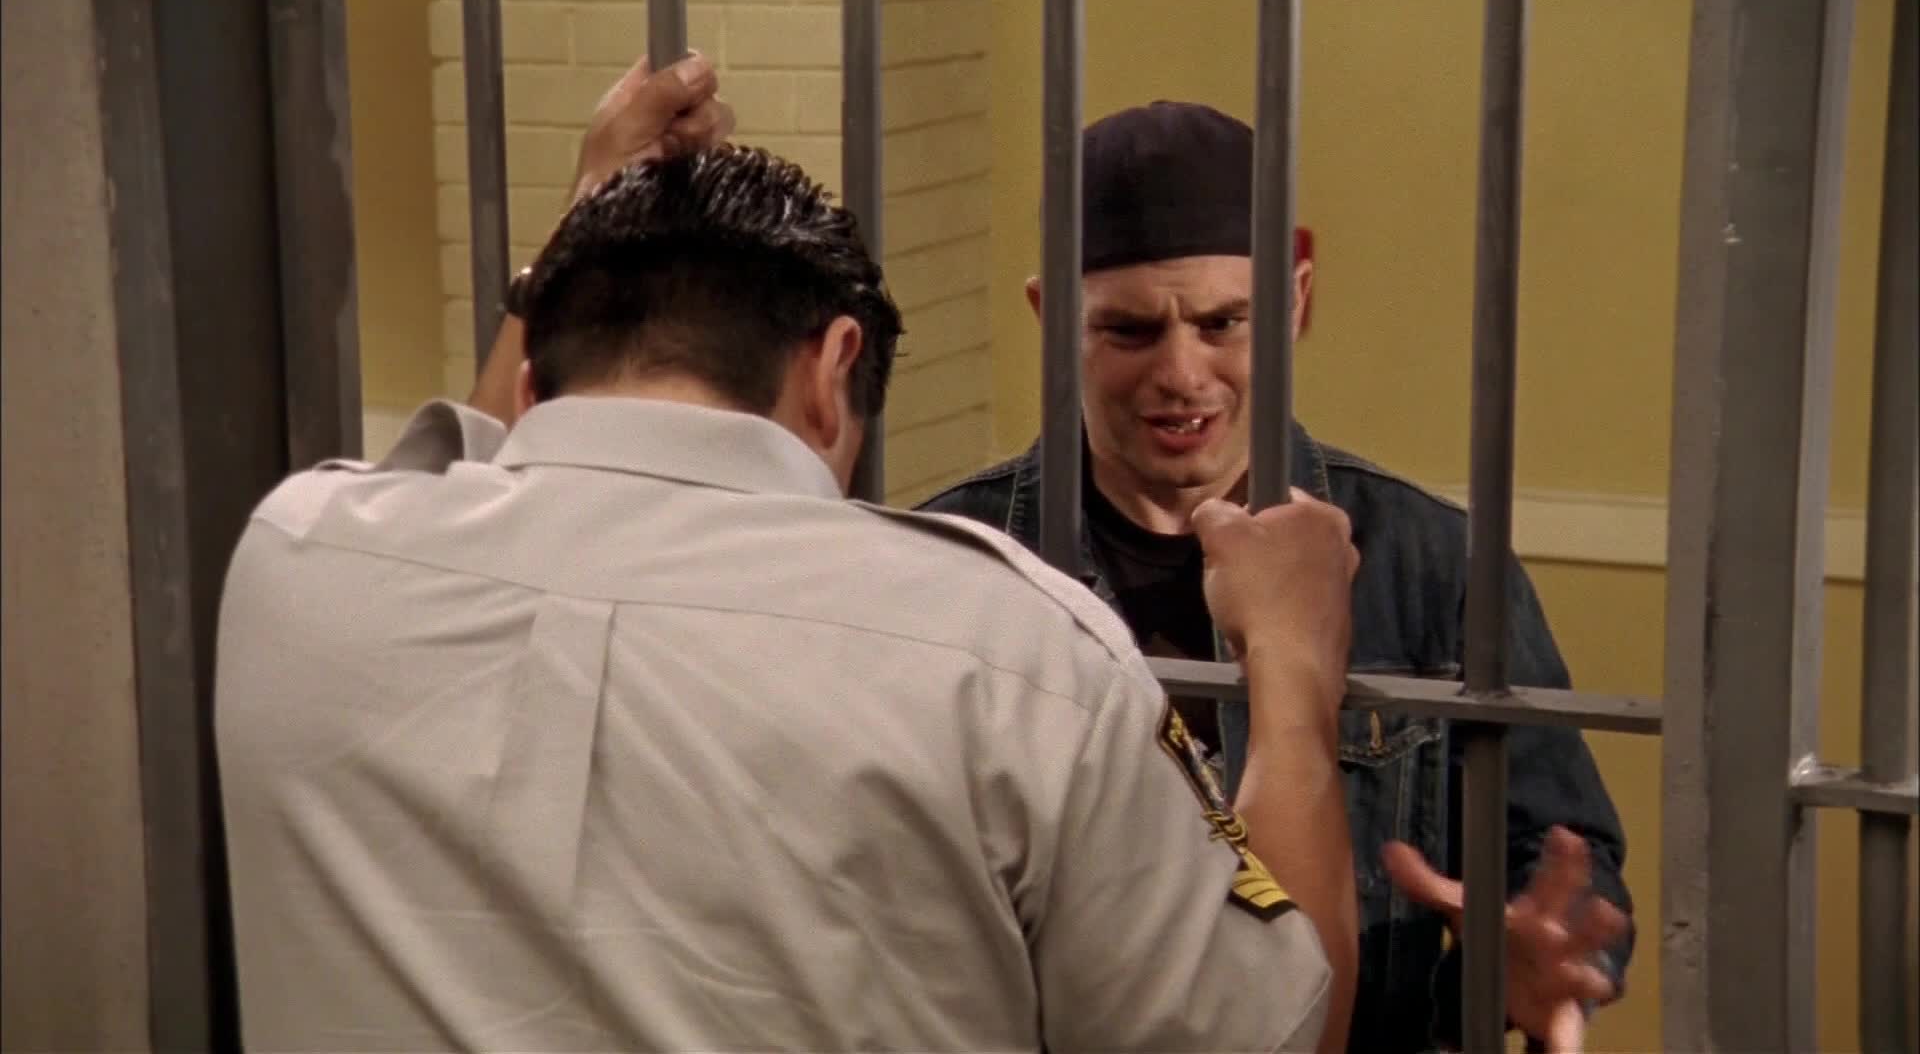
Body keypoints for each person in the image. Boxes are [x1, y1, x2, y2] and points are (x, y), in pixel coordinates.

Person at [212, 67, 1373, 1051]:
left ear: (532, 381)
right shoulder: (1009, 655)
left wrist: (588, 228)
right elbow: (1276, 1032)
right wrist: (1290, 674)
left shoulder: (299, 559)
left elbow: (485, 469)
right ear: (833, 370)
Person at [916, 100, 1634, 1053]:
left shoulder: (1433, 562)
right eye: (1130, 331)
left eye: (1223, 322)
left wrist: (1527, 965)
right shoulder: (951, 564)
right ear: (1053, 322)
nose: (1182, 373)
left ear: (1296, 299)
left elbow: (1561, 863)